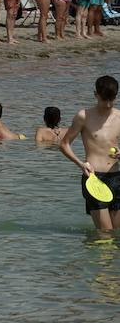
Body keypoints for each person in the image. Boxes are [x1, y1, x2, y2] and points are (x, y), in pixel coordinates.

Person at [59, 75, 120, 230]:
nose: (107, 104)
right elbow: (64, 144)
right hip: (93, 179)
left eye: (111, 99)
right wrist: (81, 164)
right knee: (106, 235)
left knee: (117, 236)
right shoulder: (83, 116)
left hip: (117, 177)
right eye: (104, 99)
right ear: (96, 95)